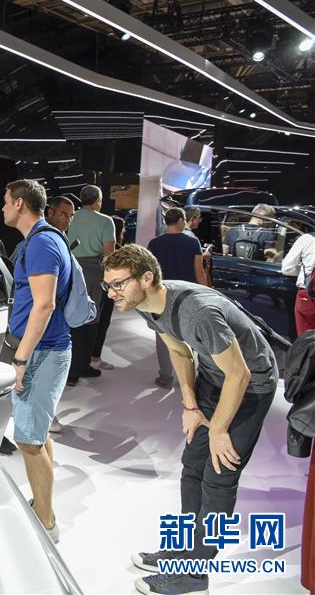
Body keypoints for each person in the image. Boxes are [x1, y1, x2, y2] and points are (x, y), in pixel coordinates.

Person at [102, 245, 277, 595]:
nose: (111, 293)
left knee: (219, 475)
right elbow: (179, 352)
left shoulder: (198, 312)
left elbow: (240, 375)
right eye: (108, 285)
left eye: (118, 284)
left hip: (250, 386)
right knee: (193, 465)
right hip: (214, 378)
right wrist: (191, 406)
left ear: (146, 278)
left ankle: (196, 573)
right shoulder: (149, 305)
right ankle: (184, 550)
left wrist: (220, 429)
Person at [0, 179, 71, 543]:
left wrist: (21, 358)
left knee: (28, 441)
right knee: (37, 435)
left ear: (20, 203)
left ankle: (46, 522)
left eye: (5, 201)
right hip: (43, 350)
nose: (2, 208)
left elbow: (44, 305)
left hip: (41, 352)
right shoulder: (43, 240)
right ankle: (43, 504)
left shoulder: (42, 243)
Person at [148, 208, 207, 389]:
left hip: (162, 294)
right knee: (189, 334)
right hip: (187, 294)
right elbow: (199, 271)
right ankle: (188, 378)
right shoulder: (192, 242)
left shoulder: (154, 243)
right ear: (181, 220)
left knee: (163, 335)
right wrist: (206, 292)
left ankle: (165, 376)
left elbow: (150, 272)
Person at [65, 185, 115, 386]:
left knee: (72, 317)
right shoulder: (106, 221)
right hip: (94, 272)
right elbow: (109, 254)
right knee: (91, 320)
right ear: (98, 201)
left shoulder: (71, 216)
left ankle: (72, 368)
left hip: (70, 270)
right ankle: (79, 369)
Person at [90, 215, 125, 371]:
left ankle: (87, 358)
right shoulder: (115, 250)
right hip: (107, 289)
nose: (124, 233)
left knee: (91, 323)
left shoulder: (98, 247)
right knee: (102, 322)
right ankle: (95, 359)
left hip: (94, 286)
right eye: (123, 230)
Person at [281, 224, 315, 335]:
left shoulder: (307, 239)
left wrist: (303, 271)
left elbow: (287, 269)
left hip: (309, 297)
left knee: (307, 340)